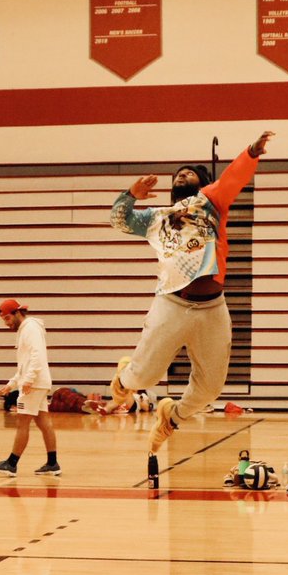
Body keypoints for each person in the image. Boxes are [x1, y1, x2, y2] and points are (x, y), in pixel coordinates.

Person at [107, 130, 274, 454]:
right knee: (144, 377)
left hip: (213, 308)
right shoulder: (154, 218)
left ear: (202, 182)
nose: (182, 174)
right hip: (171, 302)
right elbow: (118, 219)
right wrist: (130, 193)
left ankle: (173, 417)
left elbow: (232, 179)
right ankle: (123, 379)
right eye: (178, 173)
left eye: (190, 172)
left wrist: (250, 153)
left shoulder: (211, 201)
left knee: (211, 389)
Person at [0, 299, 61, 477]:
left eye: (7, 318)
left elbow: (37, 355)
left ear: (17, 313)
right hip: (37, 382)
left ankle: (11, 464)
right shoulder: (26, 329)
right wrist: (11, 384)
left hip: (33, 384)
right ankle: (53, 463)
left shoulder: (30, 328)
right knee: (43, 422)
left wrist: (28, 380)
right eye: (3, 320)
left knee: (22, 423)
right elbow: (25, 364)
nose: (6, 323)